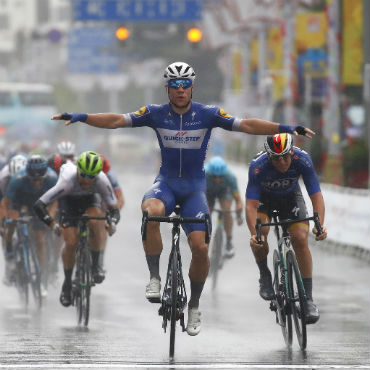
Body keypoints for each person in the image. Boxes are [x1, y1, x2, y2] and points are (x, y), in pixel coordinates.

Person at [52, 61, 314, 336]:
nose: (180, 90)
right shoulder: (154, 113)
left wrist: (286, 128)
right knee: (151, 210)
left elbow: (246, 125)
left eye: (185, 85)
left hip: (194, 189)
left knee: (200, 249)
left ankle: (195, 305)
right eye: (175, 86)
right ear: (167, 89)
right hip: (166, 184)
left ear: (192, 87)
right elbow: (117, 120)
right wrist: (82, 116)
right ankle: (154, 277)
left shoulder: (208, 114)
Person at [245, 133, 327, 324]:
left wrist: (319, 224)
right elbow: (250, 205)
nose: (281, 162)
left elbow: (316, 195)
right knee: (261, 233)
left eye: (285, 156)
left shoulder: (303, 160)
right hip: (263, 201)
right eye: (276, 158)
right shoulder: (258, 166)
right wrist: (253, 234)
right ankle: (264, 274)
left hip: (290, 198)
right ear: (268, 156)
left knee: (299, 237)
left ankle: (307, 300)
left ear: (292, 152)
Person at [34, 151, 120, 308]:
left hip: (90, 201)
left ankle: (95, 266)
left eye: (91, 177)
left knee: (96, 221)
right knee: (71, 242)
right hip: (68, 202)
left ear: (97, 174)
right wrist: (52, 225)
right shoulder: (67, 180)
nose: (87, 181)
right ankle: (67, 283)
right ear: (77, 170)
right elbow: (39, 205)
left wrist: (112, 223)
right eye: (83, 175)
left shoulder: (101, 179)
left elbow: (114, 209)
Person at [2, 155, 58, 295]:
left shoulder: (52, 178)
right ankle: (10, 252)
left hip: (40, 203)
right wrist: (4, 222)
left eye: (40, 180)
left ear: (45, 176)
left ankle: (40, 275)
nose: (37, 183)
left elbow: (55, 202)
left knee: (40, 238)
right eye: (33, 180)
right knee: (12, 222)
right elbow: (5, 204)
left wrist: (49, 218)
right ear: (28, 175)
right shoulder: (17, 179)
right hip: (19, 201)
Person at [205, 156, 243, 258]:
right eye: (214, 177)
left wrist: (239, 214)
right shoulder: (204, 173)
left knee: (227, 210)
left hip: (224, 191)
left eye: (220, 177)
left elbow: (238, 199)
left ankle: (229, 242)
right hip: (208, 192)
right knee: (205, 212)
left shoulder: (230, 177)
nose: (217, 179)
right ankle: (204, 237)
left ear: (224, 174)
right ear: (210, 173)